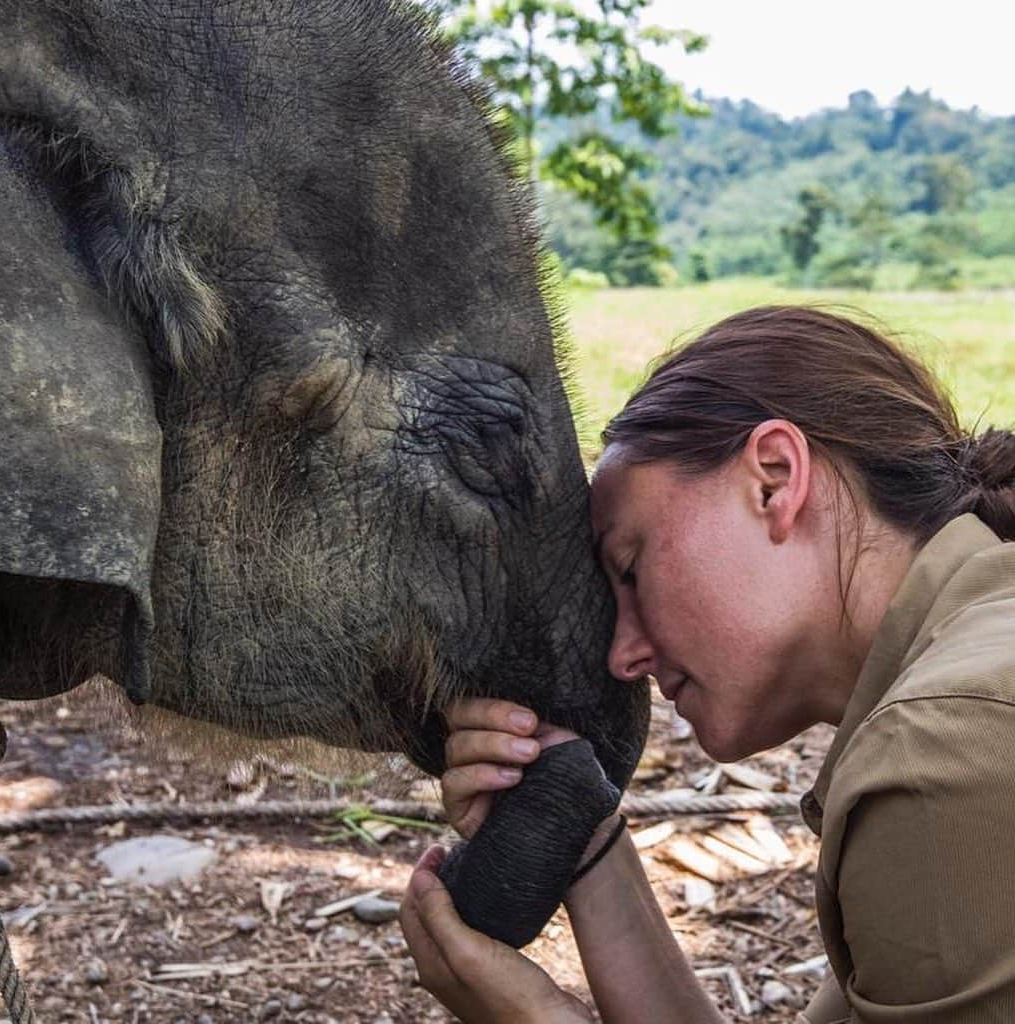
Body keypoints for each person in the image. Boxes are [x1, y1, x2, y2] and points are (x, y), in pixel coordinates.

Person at [399, 305, 1015, 1023]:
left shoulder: (942, 752)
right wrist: (587, 843)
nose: (623, 654)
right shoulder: (962, 680)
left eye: (629, 569)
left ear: (775, 481)